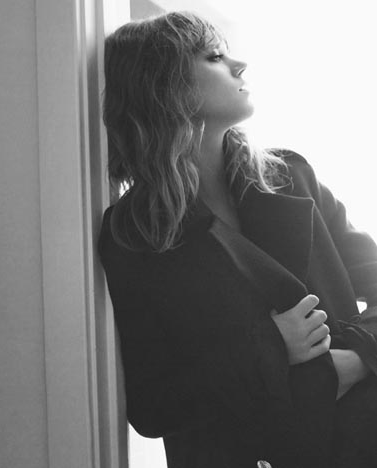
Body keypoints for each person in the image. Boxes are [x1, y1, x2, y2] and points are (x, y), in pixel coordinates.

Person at [98, 11, 377, 468]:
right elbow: (152, 406)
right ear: (164, 85)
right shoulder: (133, 233)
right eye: (214, 56)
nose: (239, 64)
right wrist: (270, 345)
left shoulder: (292, 176)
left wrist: (358, 359)